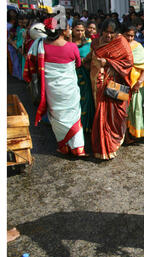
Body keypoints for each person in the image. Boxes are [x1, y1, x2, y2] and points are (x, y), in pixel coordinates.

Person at [24, 17, 87, 157]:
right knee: (73, 116)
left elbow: (31, 62)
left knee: (57, 117)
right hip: (69, 89)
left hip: (52, 90)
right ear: (64, 30)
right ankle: (78, 148)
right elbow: (78, 64)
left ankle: (64, 147)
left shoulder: (41, 45)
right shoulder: (71, 47)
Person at [87, 19, 134, 160]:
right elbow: (92, 56)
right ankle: (102, 148)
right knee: (101, 114)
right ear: (101, 32)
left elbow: (129, 62)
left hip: (114, 84)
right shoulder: (96, 43)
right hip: (98, 84)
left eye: (112, 33)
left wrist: (108, 62)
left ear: (117, 33)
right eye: (106, 32)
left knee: (116, 113)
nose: (108, 35)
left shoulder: (121, 43)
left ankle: (113, 144)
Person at [122, 24, 144, 142]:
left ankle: (133, 133)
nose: (129, 38)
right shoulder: (119, 47)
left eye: (132, 36)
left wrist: (138, 83)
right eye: (127, 35)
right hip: (122, 84)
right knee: (123, 111)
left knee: (136, 110)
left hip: (136, 85)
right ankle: (124, 135)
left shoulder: (138, 47)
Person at [72, 20, 95, 133]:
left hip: (86, 75)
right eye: (77, 30)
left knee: (87, 99)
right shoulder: (69, 44)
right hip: (73, 76)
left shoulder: (89, 44)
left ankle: (86, 126)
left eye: (82, 30)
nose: (80, 33)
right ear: (72, 30)